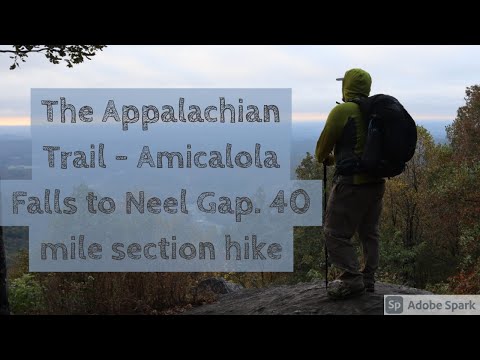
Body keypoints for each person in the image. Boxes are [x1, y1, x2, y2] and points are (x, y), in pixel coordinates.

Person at [315, 68, 385, 299]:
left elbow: (320, 151)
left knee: (333, 233)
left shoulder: (342, 110)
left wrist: (327, 158)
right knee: (369, 233)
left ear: (346, 87)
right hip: (376, 184)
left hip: (351, 185)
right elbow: (364, 149)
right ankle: (368, 278)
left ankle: (353, 278)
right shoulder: (375, 112)